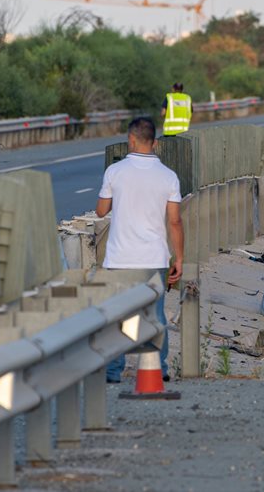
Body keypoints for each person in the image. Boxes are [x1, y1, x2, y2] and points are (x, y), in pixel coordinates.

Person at [96, 117, 184, 383]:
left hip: (120, 258)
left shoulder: (115, 171)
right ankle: (159, 369)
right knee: (155, 315)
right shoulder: (169, 176)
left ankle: (113, 371)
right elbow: (175, 221)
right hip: (153, 258)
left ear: (130, 140)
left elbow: (101, 211)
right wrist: (178, 257)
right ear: (155, 142)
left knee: (117, 315)